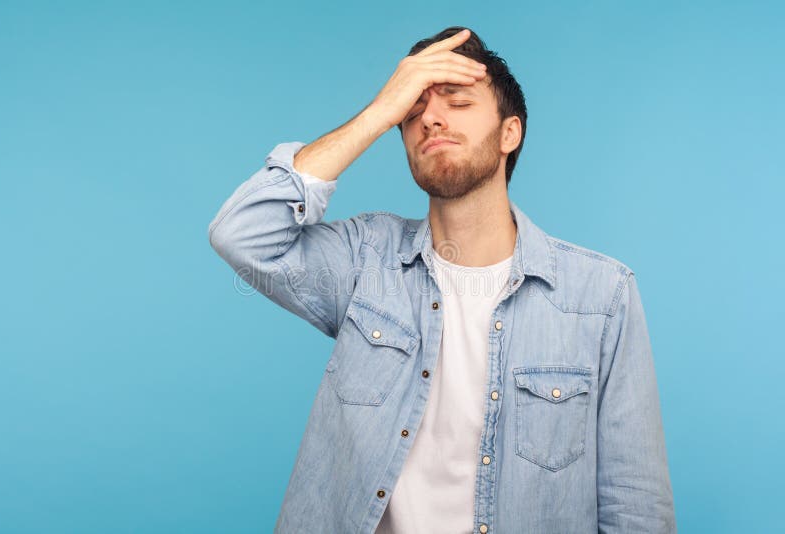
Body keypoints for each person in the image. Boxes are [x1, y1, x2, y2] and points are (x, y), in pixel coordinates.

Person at [208, 25, 676, 534]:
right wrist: (378, 112)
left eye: (457, 101)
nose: (430, 117)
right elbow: (242, 234)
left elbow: (636, 508)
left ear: (509, 133)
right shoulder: (366, 259)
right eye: (413, 111)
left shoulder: (601, 296)